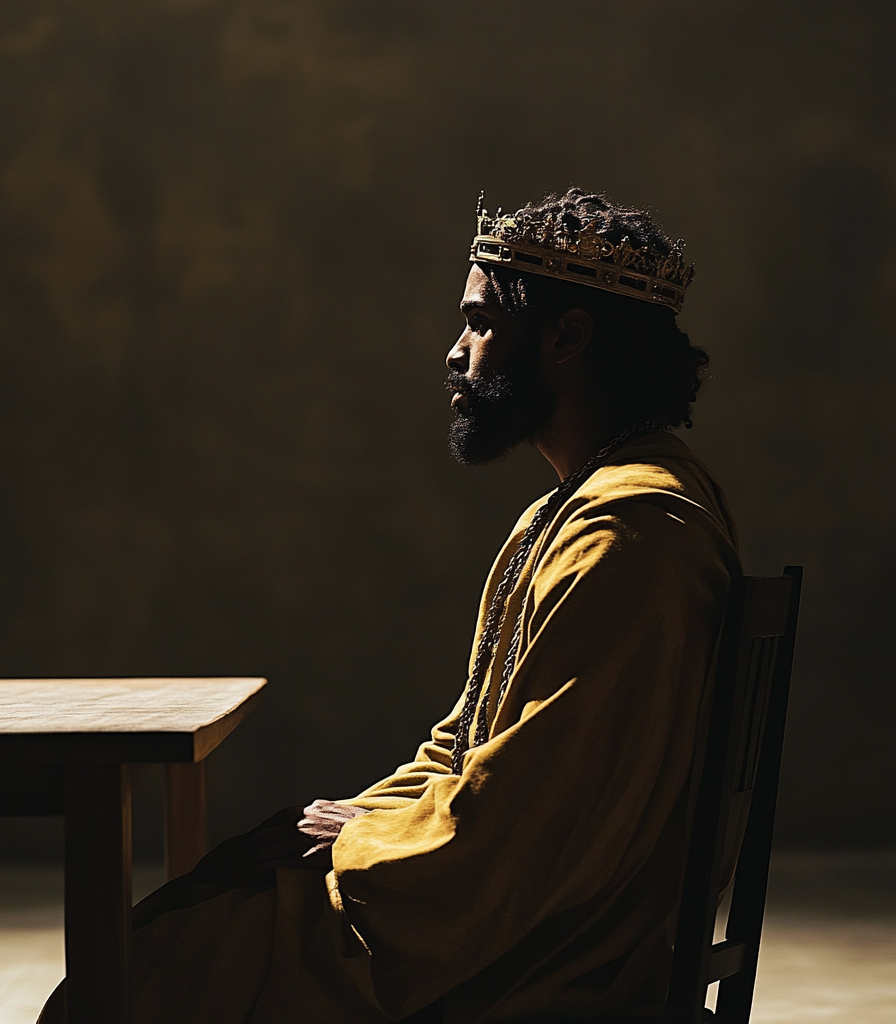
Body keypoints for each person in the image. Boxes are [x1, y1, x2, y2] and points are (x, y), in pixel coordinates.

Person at [39, 188, 740, 1023]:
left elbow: (524, 828)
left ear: (566, 338)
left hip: (528, 966)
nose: (456, 352)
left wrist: (357, 844)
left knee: (130, 980)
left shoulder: (628, 537)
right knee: (200, 906)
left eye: (479, 321)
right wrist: (356, 821)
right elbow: (469, 743)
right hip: (497, 920)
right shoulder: (590, 508)